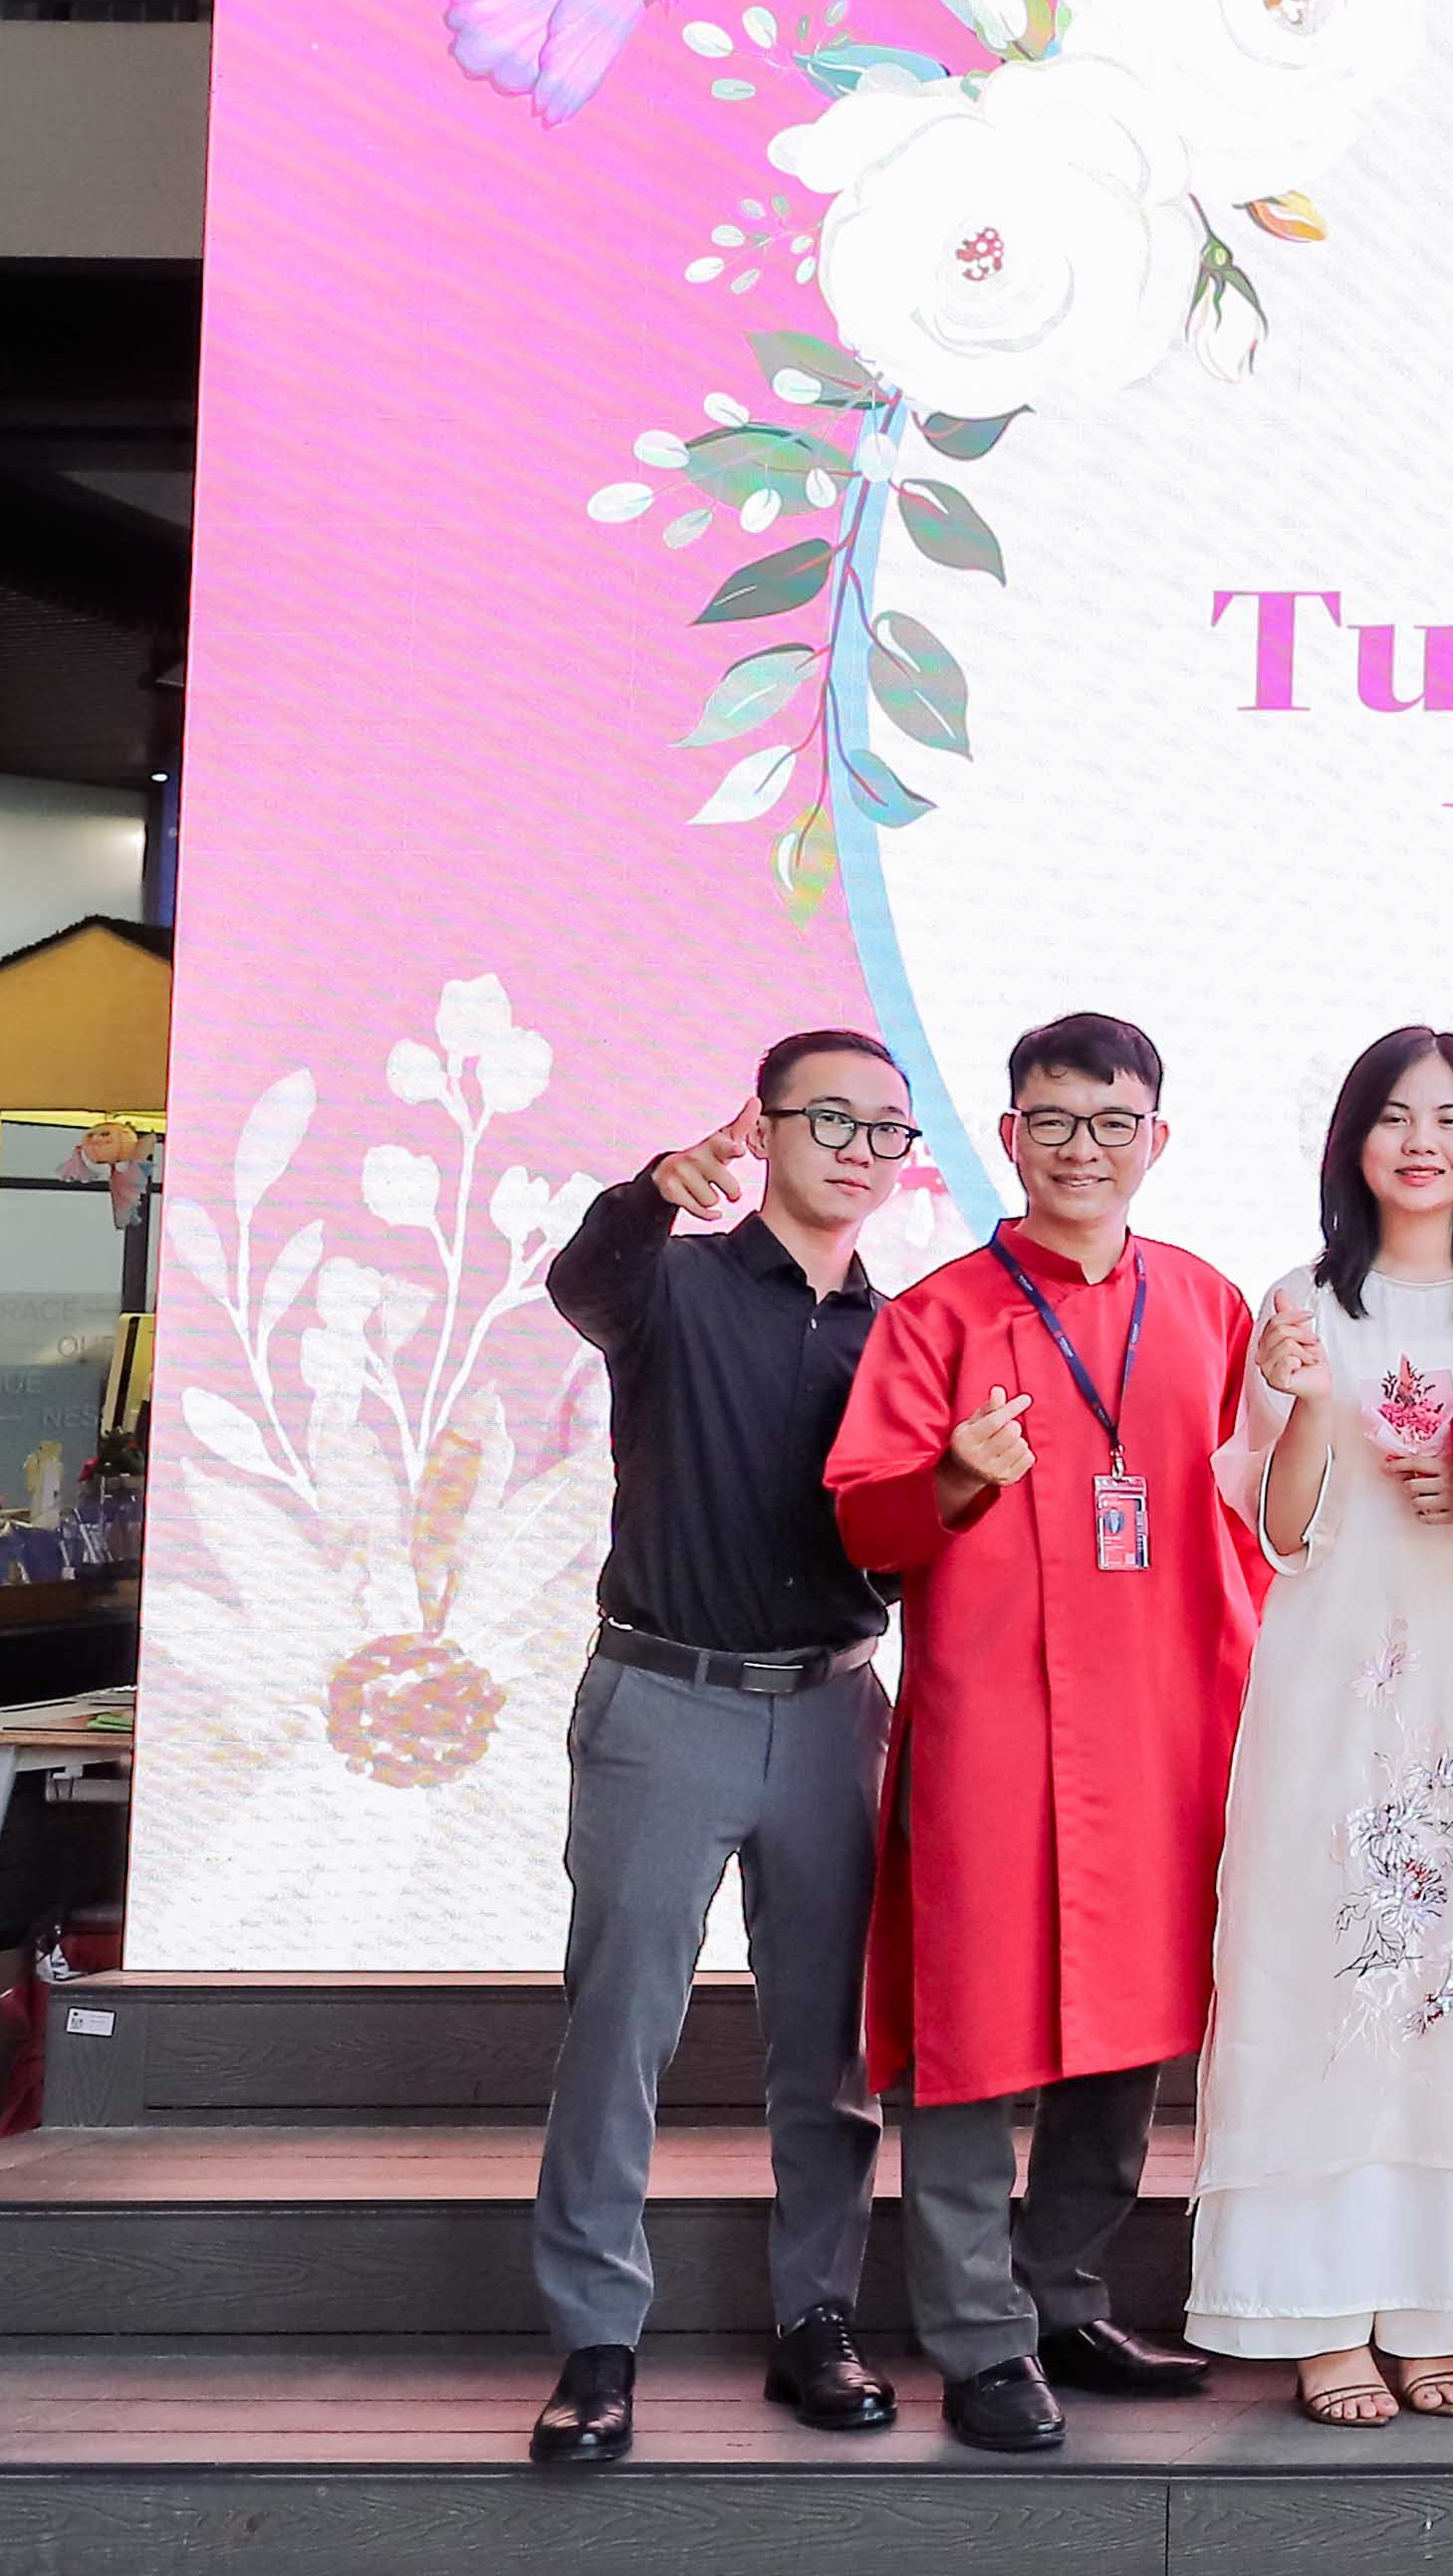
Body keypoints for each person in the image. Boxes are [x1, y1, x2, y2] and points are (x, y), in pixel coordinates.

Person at [823, 1012, 1262, 2455]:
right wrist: (953, 1475)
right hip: (995, 1729)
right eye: (1055, 1123)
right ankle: (977, 2335)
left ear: (1156, 1139)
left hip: (1164, 1719)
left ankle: (1064, 2292)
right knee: (974, 2032)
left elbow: (1261, 1516)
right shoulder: (937, 1317)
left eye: (1112, 1123)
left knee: (1134, 2025)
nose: (1084, 1150)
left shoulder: (1207, 1304)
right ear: (1009, 1137)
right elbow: (864, 1523)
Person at [525, 1032, 912, 2467]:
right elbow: (583, 1283)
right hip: (662, 1699)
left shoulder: (904, 1335)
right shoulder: (671, 1281)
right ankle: (595, 2342)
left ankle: (818, 2317)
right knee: (620, 2028)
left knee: (829, 2045)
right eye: (830, 1118)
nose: (859, 1149)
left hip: (833, 1711)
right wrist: (652, 1189)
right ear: (765, 1124)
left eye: (887, 1129)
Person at [1190, 1027, 1453, 2422]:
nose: (1424, 1143)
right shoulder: (1298, 1299)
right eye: (1396, 1117)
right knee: (1323, 1963)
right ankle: (1317, 2308)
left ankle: (1438, 2296)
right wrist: (1304, 1404)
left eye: (1451, 1118)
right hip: (1335, 1664)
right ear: (1352, 1140)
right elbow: (1282, 1529)